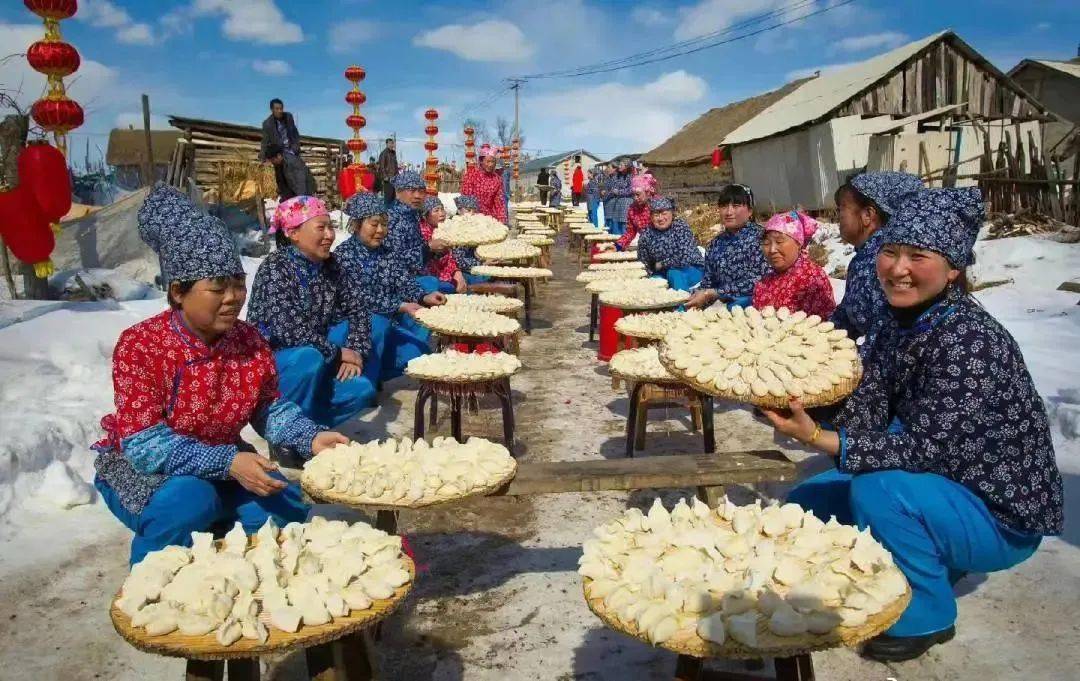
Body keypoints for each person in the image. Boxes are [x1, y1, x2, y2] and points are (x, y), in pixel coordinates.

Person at [763, 187, 1063, 662]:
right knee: (806, 503)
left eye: (918, 256)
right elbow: (868, 410)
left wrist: (820, 438)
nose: (898, 268)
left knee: (878, 492)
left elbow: (924, 450)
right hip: (946, 486)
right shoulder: (898, 322)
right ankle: (904, 562)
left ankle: (929, 613)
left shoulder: (970, 341)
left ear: (953, 269)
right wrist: (804, 408)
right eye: (890, 252)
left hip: (999, 513)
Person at [92, 184, 347, 564]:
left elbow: (269, 409)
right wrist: (228, 462)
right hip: (149, 470)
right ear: (179, 291)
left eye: (237, 284)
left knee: (283, 507)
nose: (233, 298)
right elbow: (145, 445)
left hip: (221, 461)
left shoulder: (249, 341)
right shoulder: (142, 345)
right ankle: (150, 593)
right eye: (217, 288)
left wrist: (311, 437)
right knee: (192, 501)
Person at [246, 196, 377, 427]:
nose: (329, 235)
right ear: (293, 233)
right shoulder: (276, 268)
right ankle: (281, 429)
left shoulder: (331, 266)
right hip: (277, 366)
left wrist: (355, 352)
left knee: (362, 389)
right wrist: (337, 353)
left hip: (317, 356)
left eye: (331, 227)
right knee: (307, 357)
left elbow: (358, 310)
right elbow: (290, 332)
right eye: (321, 228)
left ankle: (310, 428)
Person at [335, 192, 446, 381]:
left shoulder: (386, 253)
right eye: (374, 224)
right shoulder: (343, 256)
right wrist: (400, 306)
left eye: (384, 224)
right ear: (356, 225)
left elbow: (403, 280)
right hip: (355, 328)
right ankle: (364, 377)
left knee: (419, 352)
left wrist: (423, 296)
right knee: (377, 322)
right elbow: (358, 298)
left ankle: (379, 365)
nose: (380, 230)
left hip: (389, 321)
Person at [831, 171, 924, 341]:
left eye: (841, 209)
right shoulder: (863, 258)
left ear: (867, 215)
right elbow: (848, 315)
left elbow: (889, 333)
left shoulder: (883, 261)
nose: (838, 217)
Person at [686, 183, 771, 309]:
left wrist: (715, 293)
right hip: (720, 301)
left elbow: (761, 280)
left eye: (736, 206)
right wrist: (699, 293)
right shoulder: (716, 243)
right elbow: (709, 280)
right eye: (724, 206)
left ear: (750, 211)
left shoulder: (762, 239)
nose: (729, 212)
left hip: (751, 302)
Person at [752, 210, 836, 318]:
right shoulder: (764, 283)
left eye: (779, 242)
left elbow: (824, 322)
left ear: (798, 243)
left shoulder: (812, 278)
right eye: (766, 243)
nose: (772, 250)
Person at [386, 170, 445, 295]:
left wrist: (437, 250)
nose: (418, 196)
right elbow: (393, 260)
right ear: (398, 192)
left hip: (416, 278)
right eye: (411, 190)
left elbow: (419, 249)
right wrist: (428, 248)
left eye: (421, 191)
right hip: (397, 285)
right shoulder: (391, 219)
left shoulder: (413, 215)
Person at [636, 196, 705, 291]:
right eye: (656, 215)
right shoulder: (646, 234)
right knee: (653, 282)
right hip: (661, 273)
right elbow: (644, 262)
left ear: (672, 213)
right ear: (651, 217)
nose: (660, 218)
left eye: (664, 213)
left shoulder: (680, 227)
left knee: (674, 274)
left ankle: (683, 303)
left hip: (689, 269)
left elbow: (684, 258)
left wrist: (660, 264)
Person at [599, 172, 656, 254]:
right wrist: (617, 246)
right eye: (633, 195)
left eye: (638, 195)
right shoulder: (633, 209)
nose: (635, 198)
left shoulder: (657, 207)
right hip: (646, 248)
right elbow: (630, 232)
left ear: (647, 192)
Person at [420, 196, 467, 293]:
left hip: (447, 273)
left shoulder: (444, 230)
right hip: (430, 276)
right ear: (425, 216)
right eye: (436, 210)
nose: (441, 214)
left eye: (442, 209)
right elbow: (429, 265)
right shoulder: (423, 233)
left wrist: (456, 272)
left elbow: (451, 257)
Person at [460, 144, 507, 223]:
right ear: (481, 161)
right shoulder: (471, 175)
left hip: (489, 219)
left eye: (493, 161)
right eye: (488, 161)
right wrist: (470, 218)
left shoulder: (497, 179)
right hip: (471, 218)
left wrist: (502, 220)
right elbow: (466, 198)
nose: (491, 164)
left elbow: (499, 202)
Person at [604, 159, 634, 236]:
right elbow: (613, 188)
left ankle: (623, 246)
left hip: (626, 203)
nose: (619, 167)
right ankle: (616, 245)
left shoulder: (631, 176)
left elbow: (631, 190)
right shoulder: (618, 176)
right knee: (615, 226)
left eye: (621, 165)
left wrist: (619, 192)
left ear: (627, 166)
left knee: (623, 225)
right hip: (618, 204)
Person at [377, 138, 398, 204]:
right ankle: (386, 213)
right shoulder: (384, 153)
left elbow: (395, 166)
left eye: (392, 143)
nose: (392, 145)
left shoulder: (393, 153)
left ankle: (392, 213)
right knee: (388, 198)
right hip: (388, 179)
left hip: (394, 178)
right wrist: (385, 177)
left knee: (393, 197)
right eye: (390, 143)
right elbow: (382, 166)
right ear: (387, 144)